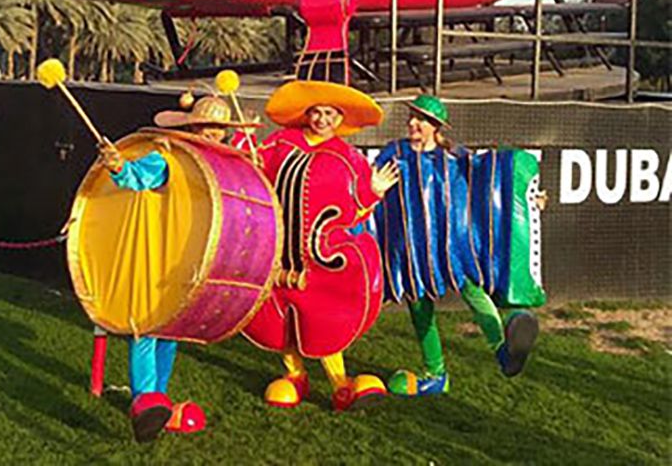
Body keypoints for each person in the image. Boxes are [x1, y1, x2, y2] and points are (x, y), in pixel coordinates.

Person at [98, 94, 255, 441]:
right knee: (147, 326)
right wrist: (119, 167)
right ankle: (144, 401)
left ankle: (158, 398)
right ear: (194, 126)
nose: (213, 133)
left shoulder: (219, 165)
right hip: (159, 254)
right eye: (207, 126)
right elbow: (138, 177)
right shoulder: (170, 157)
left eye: (219, 128)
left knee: (171, 330)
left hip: (193, 260)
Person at [372, 94, 547, 397]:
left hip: (451, 246)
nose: (413, 123)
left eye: (421, 119)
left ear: (435, 126)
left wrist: (528, 199)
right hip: (411, 250)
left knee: (474, 294)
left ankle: (505, 353)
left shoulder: (454, 157)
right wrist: (374, 188)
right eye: (412, 116)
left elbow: (490, 184)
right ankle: (436, 373)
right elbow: (370, 187)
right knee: (420, 306)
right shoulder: (393, 154)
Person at [243, 80, 399, 410]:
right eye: (317, 112)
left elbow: (357, 211)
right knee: (278, 317)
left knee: (323, 317)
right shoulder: (281, 142)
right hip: (274, 251)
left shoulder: (349, 157)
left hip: (320, 257)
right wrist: (245, 140)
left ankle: (340, 383)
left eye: (330, 113)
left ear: (340, 119)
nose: (322, 119)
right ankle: (294, 375)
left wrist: (373, 192)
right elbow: (252, 170)